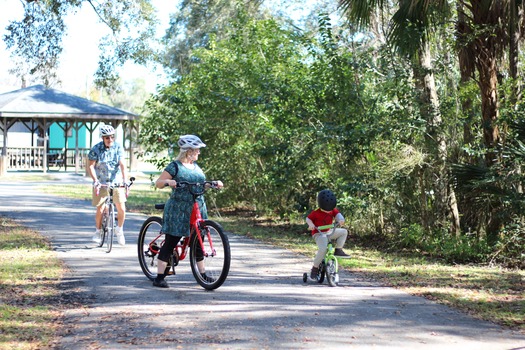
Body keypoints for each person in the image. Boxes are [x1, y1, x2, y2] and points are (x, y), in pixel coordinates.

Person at [152, 134, 223, 288]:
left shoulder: (196, 166)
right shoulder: (175, 166)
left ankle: (203, 274)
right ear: (188, 151)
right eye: (197, 150)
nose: (199, 152)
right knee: (171, 241)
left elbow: (199, 184)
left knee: (198, 242)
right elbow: (158, 183)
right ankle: (159, 277)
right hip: (179, 209)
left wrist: (213, 184)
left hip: (197, 207)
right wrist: (168, 182)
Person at [87, 124, 128, 246]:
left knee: (122, 208)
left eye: (112, 137)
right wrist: (95, 181)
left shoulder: (118, 147)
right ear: (102, 138)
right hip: (102, 181)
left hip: (116, 180)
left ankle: (119, 229)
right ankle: (98, 231)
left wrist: (125, 180)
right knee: (100, 207)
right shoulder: (96, 149)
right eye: (107, 138)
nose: (110, 140)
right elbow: (91, 166)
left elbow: (122, 165)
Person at [306, 189, 351, 279]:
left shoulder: (332, 210)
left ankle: (338, 249)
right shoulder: (316, 212)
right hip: (319, 233)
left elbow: (338, 215)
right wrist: (311, 224)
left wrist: (341, 220)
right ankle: (315, 268)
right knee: (323, 249)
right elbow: (308, 218)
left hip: (329, 231)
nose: (328, 212)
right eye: (325, 210)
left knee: (344, 232)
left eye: (329, 210)